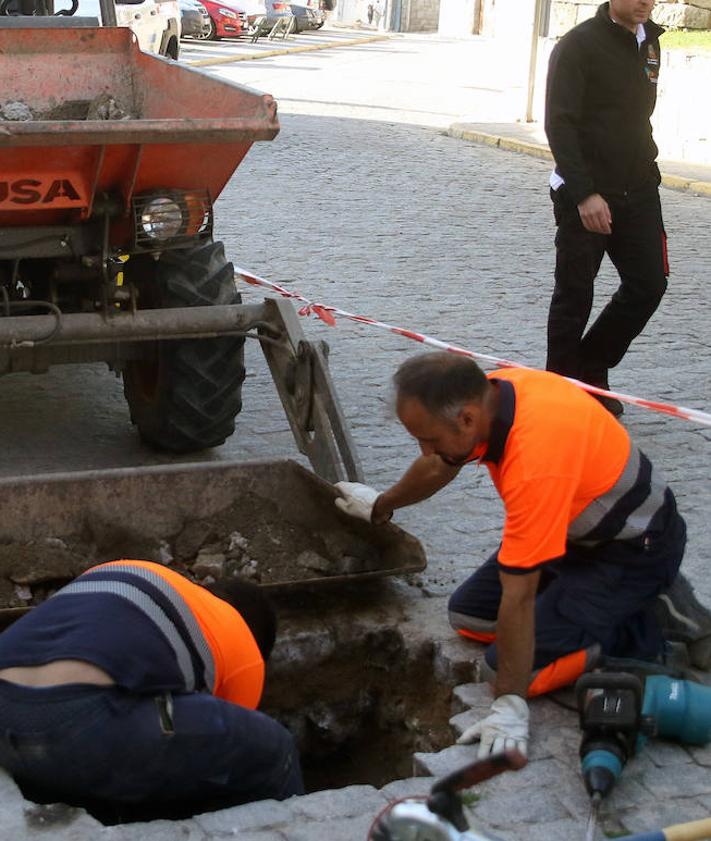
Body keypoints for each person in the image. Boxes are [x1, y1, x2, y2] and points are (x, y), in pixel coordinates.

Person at [334, 352, 711, 758]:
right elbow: (439, 464)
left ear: (466, 419)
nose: (425, 449)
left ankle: (646, 615)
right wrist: (381, 505)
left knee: (509, 670)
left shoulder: (535, 461)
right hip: (571, 536)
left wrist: (509, 704)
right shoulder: (493, 394)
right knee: (469, 616)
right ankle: (592, 608)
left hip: (632, 550)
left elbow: (519, 595)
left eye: (430, 439)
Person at [0, 560, 303, 822]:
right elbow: (223, 758)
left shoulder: (135, 577)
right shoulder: (244, 648)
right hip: (80, 722)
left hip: (8, 721)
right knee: (276, 750)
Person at [544, 0, 668, 417]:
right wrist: (584, 194)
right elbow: (559, 124)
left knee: (649, 284)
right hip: (587, 192)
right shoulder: (578, 46)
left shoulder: (650, 41)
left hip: (638, 189)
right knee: (575, 294)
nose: (644, 1)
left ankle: (590, 367)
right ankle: (560, 393)